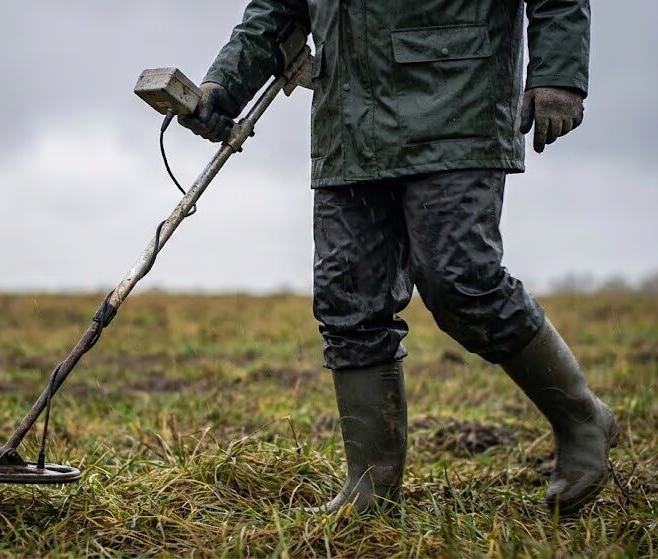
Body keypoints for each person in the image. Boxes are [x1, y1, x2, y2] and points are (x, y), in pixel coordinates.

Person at [179, 0, 618, 516]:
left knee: (461, 281)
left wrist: (558, 75)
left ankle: (581, 418)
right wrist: (224, 84)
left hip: (458, 102)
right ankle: (371, 489)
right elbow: (278, 8)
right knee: (347, 298)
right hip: (348, 120)